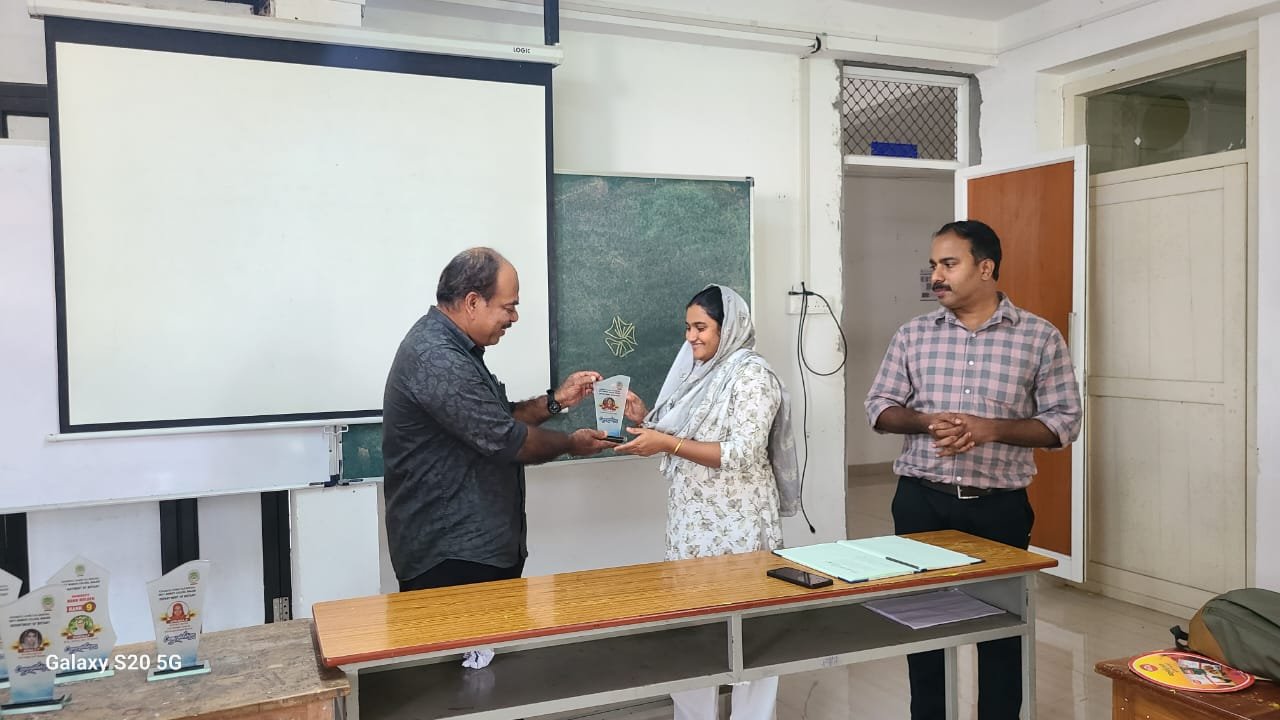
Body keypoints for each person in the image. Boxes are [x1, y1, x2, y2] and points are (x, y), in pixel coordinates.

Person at [865, 220, 1083, 720]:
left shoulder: (1038, 337)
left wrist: (990, 429)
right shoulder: (913, 335)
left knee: (1002, 635)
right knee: (924, 632)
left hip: (998, 509)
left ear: (986, 268)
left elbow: (1063, 423)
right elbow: (879, 407)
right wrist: (925, 421)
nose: (936, 276)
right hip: (921, 502)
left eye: (949, 264)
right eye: (933, 266)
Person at [382, 247, 613, 594]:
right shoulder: (437, 357)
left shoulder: (455, 348)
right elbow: (509, 439)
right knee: (464, 633)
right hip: (452, 556)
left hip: (474, 549)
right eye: (509, 307)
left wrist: (556, 401)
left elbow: (495, 418)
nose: (514, 318)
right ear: (473, 302)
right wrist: (572, 443)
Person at [616, 284, 798, 720]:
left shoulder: (752, 375)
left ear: (727, 327)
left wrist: (666, 443)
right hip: (692, 526)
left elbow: (742, 452)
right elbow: (682, 429)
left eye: (701, 327)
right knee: (692, 635)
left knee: (749, 636)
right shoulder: (699, 372)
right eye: (687, 328)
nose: (691, 337)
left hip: (738, 526)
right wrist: (645, 419)